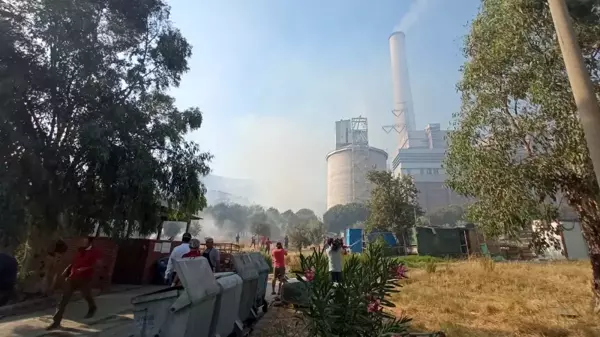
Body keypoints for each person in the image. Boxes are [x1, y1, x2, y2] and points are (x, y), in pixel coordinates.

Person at [47, 237, 101, 330]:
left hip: (84, 279)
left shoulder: (94, 252)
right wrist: (66, 271)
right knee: (64, 299)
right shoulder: (79, 251)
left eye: (84, 240)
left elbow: (98, 264)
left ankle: (92, 307)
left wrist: (85, 268)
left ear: (89, 242)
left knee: (86, 295)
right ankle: (56, 321)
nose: (82, 242)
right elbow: (74, 263)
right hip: (72, 278)